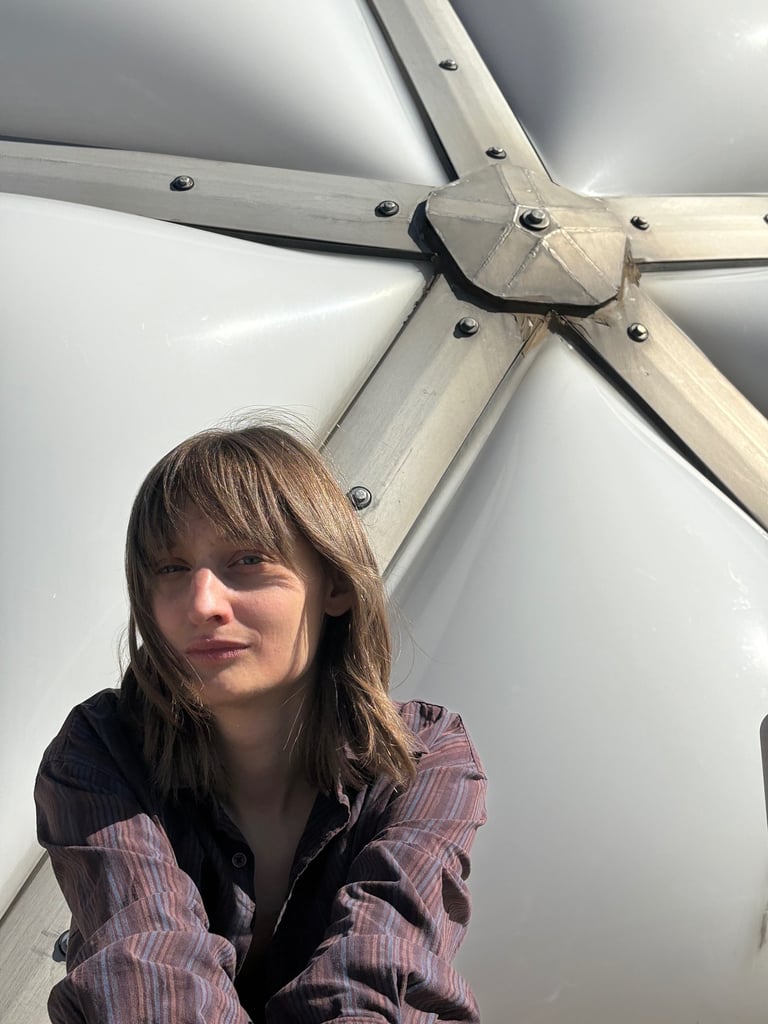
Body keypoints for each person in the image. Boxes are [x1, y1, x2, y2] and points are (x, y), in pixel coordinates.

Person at [35, 423, 487, 1024]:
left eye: (247, 560)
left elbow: (379, 974)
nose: (202, 604)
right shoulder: (102, 753)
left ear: (334, 583)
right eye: (170, 568)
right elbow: (149, 979)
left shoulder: (424, 762)